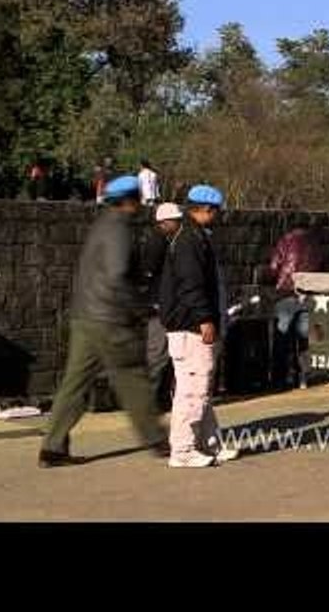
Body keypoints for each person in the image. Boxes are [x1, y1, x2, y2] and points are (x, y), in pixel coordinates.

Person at [38, 175, 168, 468]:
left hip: (86, 316)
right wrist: (139, 307)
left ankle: (52, 447)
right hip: (110, 319)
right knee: (132, 376)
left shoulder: (100, 225)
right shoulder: (119, 229)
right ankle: (157, 439)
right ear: (130, 200)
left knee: (74, 384)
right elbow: (117, 274)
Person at [159, 184, 238, 467]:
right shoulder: (191, 240)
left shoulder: (191, 236)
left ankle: (208, 444)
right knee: (193, 389)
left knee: (199, 387)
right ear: (205, 209)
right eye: (216, 211)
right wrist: (205, 318)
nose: (217, 216)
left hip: (190, 324)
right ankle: (182, 450)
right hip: (191, 326)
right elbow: (192, 285)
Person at [269, 225, 324, 388]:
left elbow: (274, 267)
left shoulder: (285, 240)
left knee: (282, 337)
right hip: (308, 294)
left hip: (286, 293)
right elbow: (322, 267)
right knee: (304, 338)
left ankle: (281, 378)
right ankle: (304, 377)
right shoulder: (315, 243)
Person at [141, 202, 183, 411]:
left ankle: (159, 398)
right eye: (175, 220)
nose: (178, 224)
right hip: (158, 305)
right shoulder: (157, 242)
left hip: (161, 304)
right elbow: (149, 273)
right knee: (157, 353)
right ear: (164, 222)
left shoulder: (164, 240)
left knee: (161, 354)